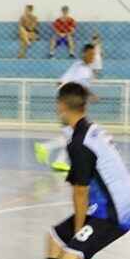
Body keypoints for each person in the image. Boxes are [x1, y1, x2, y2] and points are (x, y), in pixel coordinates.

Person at [12, 82, 130, 259]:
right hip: (108, 204)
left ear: (61, 106)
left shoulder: (79, 142)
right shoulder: (90, 130)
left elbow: (80, 191)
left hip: (113, 212)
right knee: (54, 240)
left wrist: (80, 230)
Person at [35, 43, 96, 172]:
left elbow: (82, 88)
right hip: (69, 106)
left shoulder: (87, 70)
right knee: (73, 136)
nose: (93, 57)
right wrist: (65, 102)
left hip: (76, 106)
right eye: (91, 54)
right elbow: (61, 82)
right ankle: (45, 148)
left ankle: (59, 161)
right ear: (84, 54)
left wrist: (88, 96)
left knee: (71, 136)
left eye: (94, 54)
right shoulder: (78, 67)